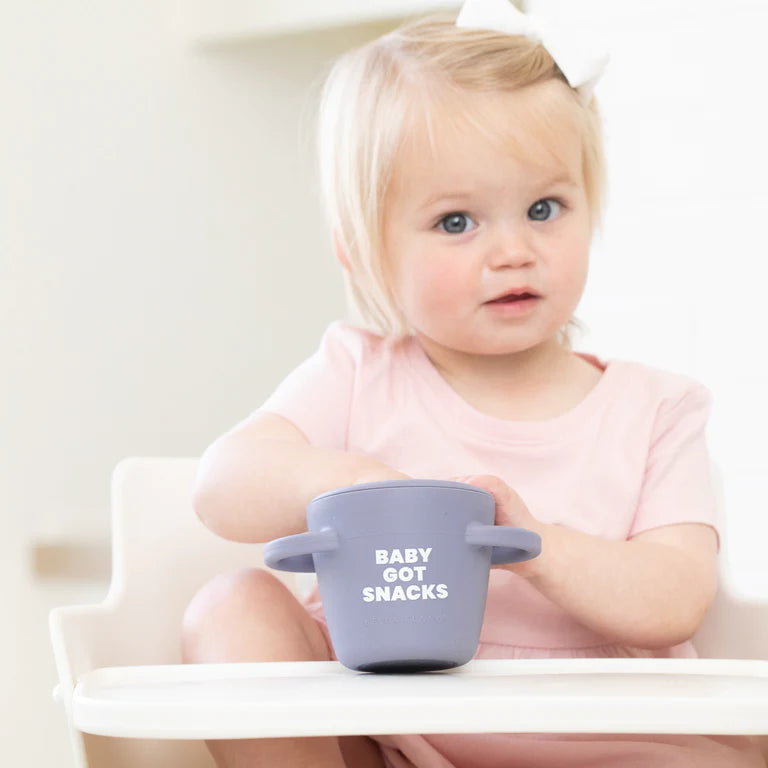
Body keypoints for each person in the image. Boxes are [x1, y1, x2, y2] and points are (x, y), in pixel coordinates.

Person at [180, 0, 766, 765]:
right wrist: (356, 478)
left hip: (603, 744)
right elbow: (221, 485)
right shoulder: (358, 372)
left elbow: (675, 597)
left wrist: (533, 545)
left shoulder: (658, 408)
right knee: (230, 607)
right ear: (363, 252)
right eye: (457, 222)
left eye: (545, 208)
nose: (514, 250)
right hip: (393, 730)